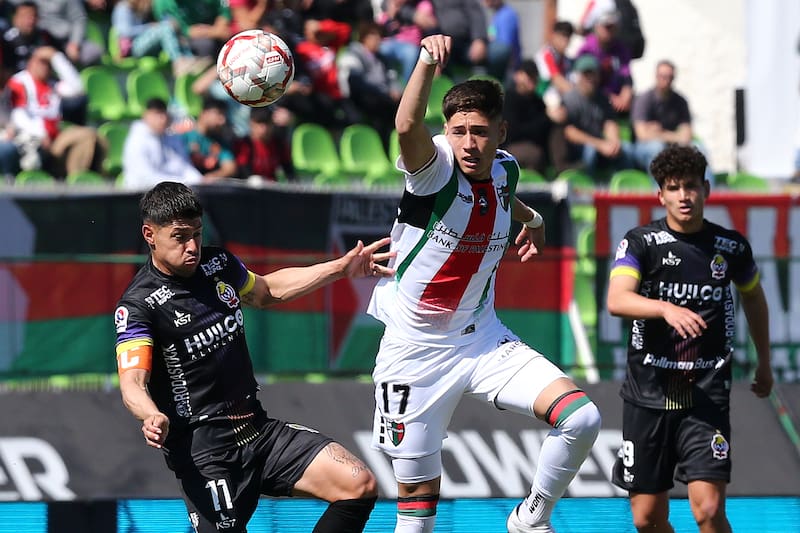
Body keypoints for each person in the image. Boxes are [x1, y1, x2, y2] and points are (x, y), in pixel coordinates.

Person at [367, 34, 601, 533]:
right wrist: (427, 61)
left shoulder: (505, 168)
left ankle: (530, 519)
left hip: (484, 341)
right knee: (416, 508)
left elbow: (504, 192)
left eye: (479, 131)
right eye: (457, 131)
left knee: (581, 418)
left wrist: (534, 221)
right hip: (414, 352)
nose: (468, 144)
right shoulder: (433, 171)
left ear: (501, 130)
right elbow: (406, 123)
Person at [115, 181, 394, 532]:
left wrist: (340, 268)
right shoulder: (139, 305)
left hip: (257, 432)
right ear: (149, 234)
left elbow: (267, 291)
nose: (192, 247)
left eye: (197, 234)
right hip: (205, 455)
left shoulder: (217, 264)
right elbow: (132, 383)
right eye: (180, 236)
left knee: (358, 485)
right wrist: (151, 414)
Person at [606, 145, 773, 533]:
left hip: (705, 393)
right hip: (648, 394)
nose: (684, 196)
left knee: (709, 511)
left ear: (707, 190)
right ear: (660, 195)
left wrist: (763, 360)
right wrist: (665, 308)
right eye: (674, 188)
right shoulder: (640, 243)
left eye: (692, 187)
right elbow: (617, 299)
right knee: (647, 519)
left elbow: (753, 297)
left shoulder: (730, 248)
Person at [7, 45, 106, 178]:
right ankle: (74, 180)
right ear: (31, 61)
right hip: (33, 139)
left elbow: (78, 89)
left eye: (49, 63)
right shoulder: (20, 81)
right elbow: (18, 115)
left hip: (56, 136)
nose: (45, 67)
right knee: (86, 136)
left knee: (97, 139)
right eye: (42, 62)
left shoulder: (52, 83)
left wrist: (57, 58)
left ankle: (79, 179)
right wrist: (40, 133)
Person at [631, 60, 715, 183]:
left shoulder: (680, 101)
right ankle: (660, 195)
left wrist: (660, 132)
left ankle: (708, 194)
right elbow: (642, 135)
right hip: (643, 149)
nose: (666, 80)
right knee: (657, 148)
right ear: (656, 76)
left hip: (670, 145)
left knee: (699, 149)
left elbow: (686, 136)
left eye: (670, 77)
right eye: (662, 76)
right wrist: (674, 136)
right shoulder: (644, 100)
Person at [559, 53, 633, 179]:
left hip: (599, 144)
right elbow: (570, 132)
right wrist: (600, 144)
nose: (590, 78)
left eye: (593, 73)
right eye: (586, 74)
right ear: (578, 75)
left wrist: (614, 142)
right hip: (577, 148)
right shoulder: (569, 99)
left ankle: (624, 188)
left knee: (625, 148)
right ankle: (588, 189)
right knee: (590, 151)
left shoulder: (602, 98)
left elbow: (610, 122)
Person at [121, 97, 206, 189]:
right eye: (157, 114)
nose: (162, 119)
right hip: (141, 194)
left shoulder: (172, 137)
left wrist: (200, 181)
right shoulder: (136, 140)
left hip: (172, 191)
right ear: (146, 115)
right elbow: (144, 178)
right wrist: (182, 182)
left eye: (164, 114)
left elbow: (184, 167)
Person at [575, 6, 633, 115]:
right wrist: (610, 98)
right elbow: (586, 82)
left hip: (617, 102)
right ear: (597, 26)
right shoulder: (586, 49)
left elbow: (626, 75)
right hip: (594, 101)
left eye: (612, 27)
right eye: (606, 26)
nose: (609, 31)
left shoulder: (621, 49)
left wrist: (626, 94)